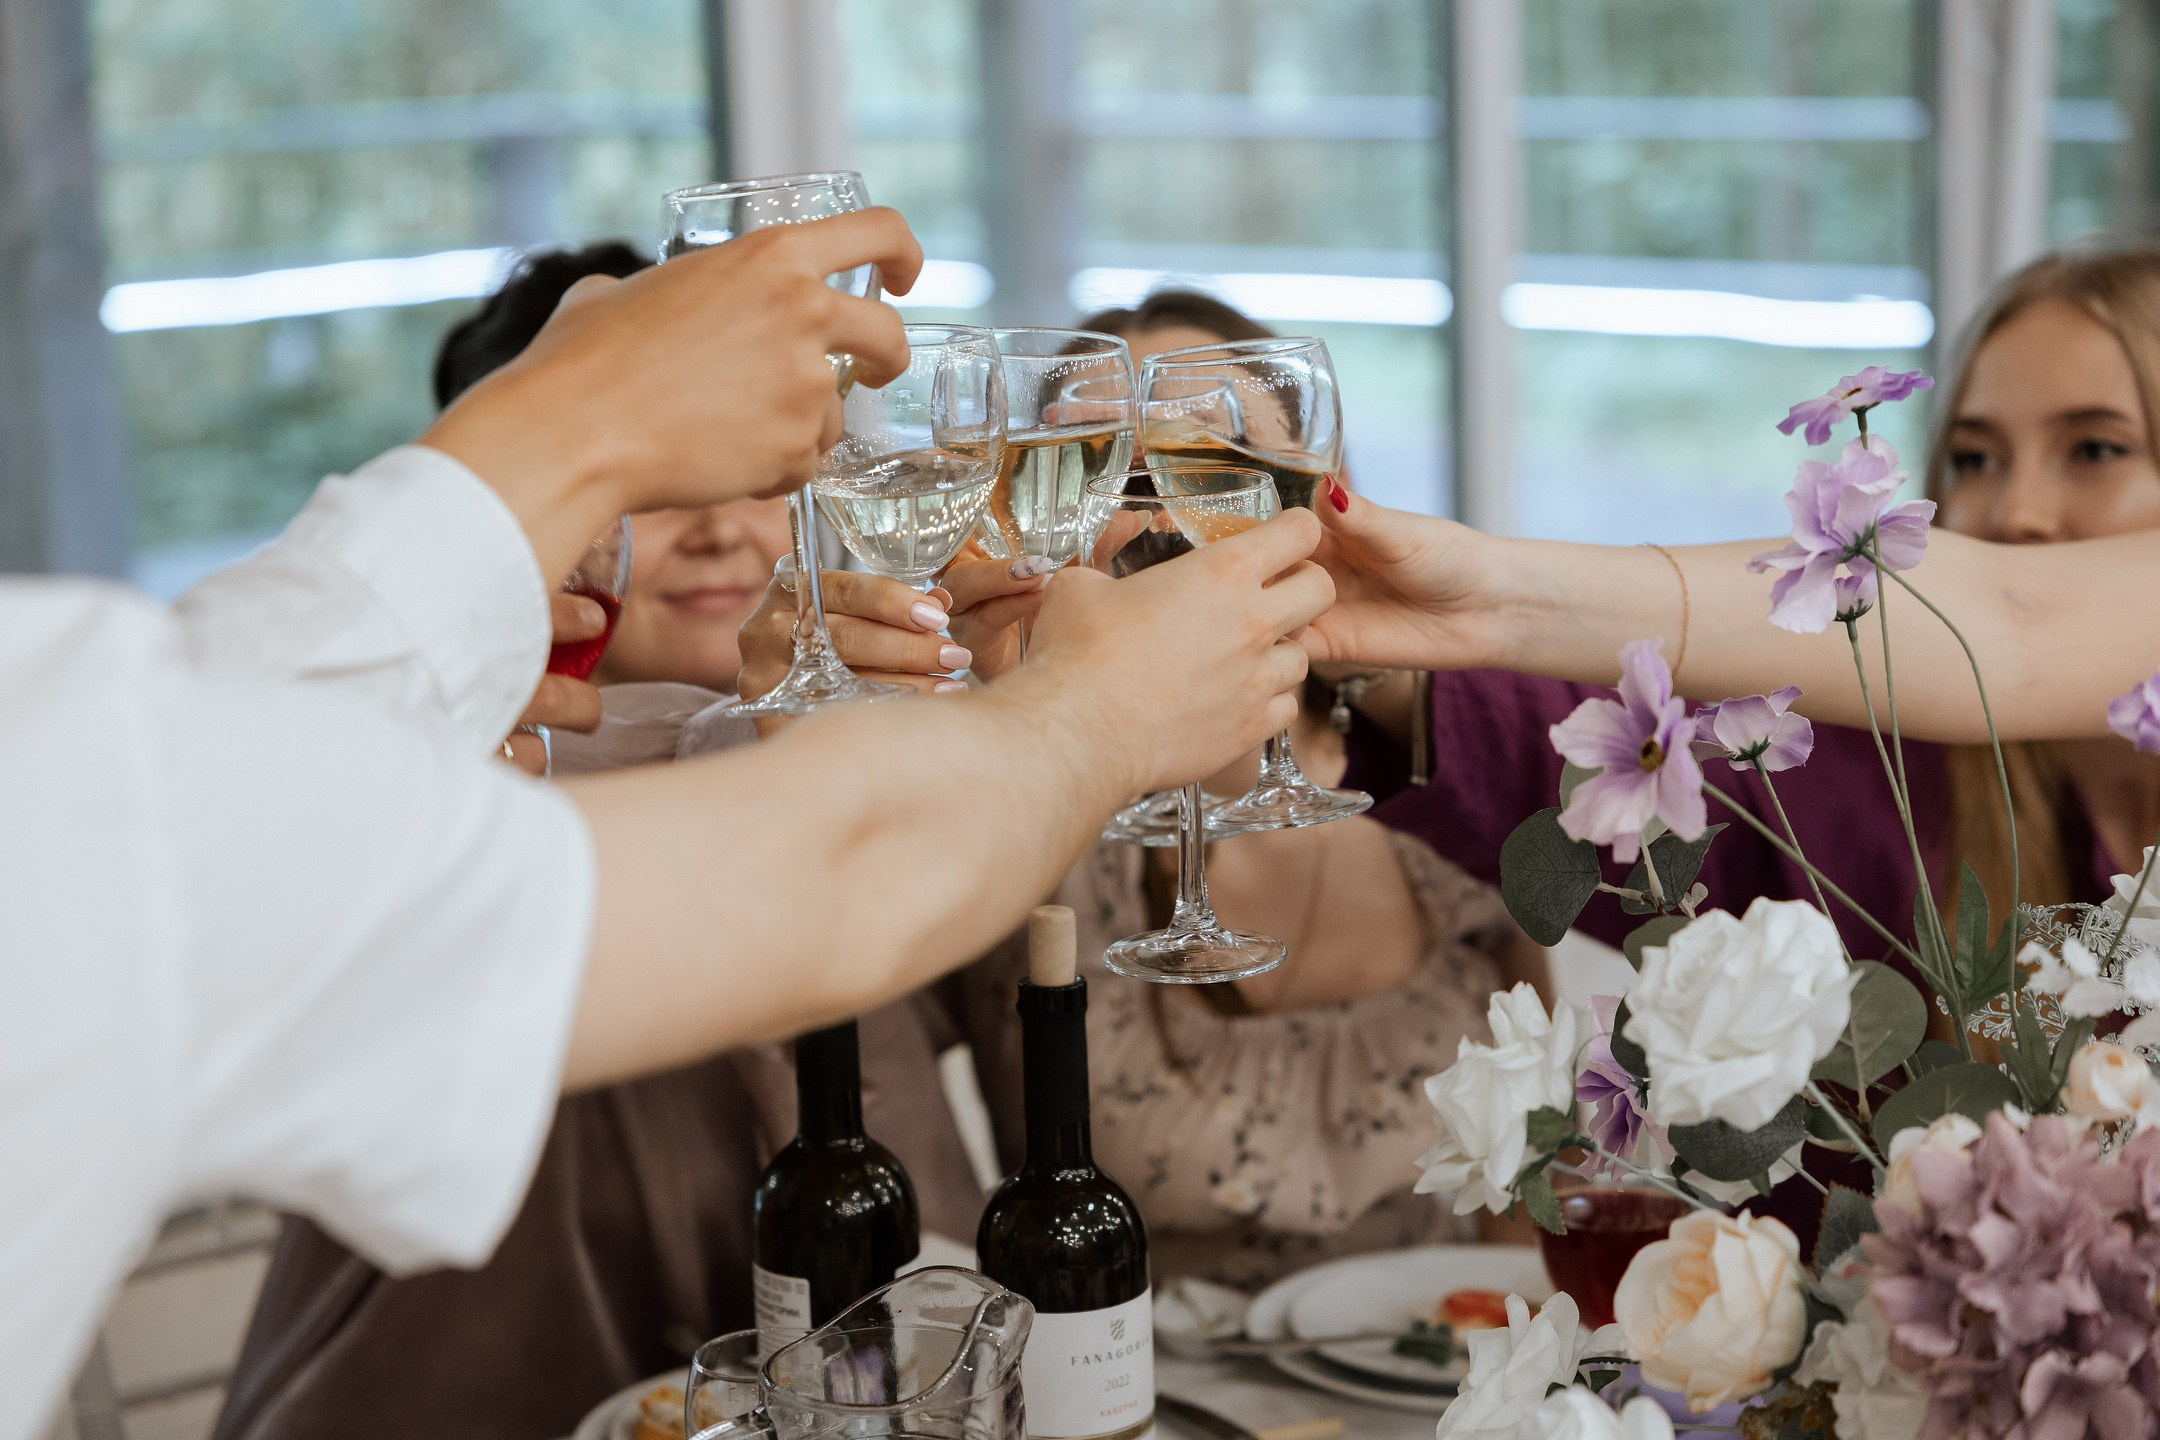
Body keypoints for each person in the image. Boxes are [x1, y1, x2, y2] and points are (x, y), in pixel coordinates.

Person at [4, 210, 1335, 1440]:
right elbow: (839, 873)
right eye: (666, 477)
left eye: (757, 477)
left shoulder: (106, 748)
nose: (716, 532)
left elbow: (246, 698)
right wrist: (1101, 713)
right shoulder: (137, 804)